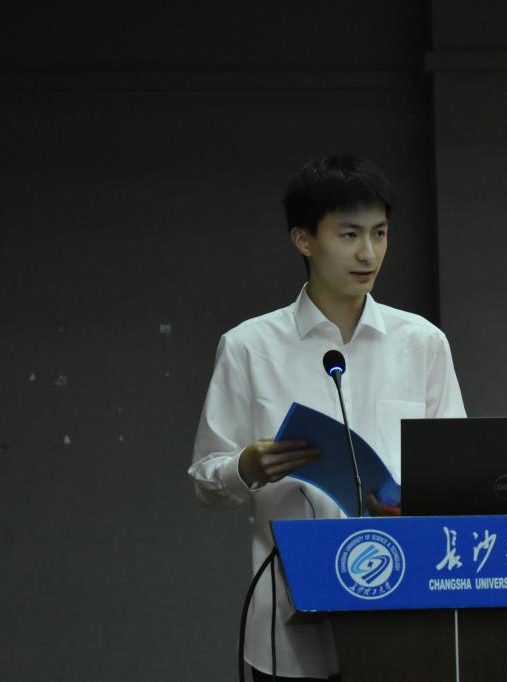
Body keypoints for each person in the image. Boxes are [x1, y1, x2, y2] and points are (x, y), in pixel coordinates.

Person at [188, 155, 465, 681]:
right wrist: (247, 467)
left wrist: (421, 499)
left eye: (380, 234)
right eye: (349, 234)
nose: (368, 253)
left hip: (404, 611)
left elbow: (455, 469)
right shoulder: (249, 347)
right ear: (303, 239)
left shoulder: (423, 343)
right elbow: (205, 481)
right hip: (290, 623)